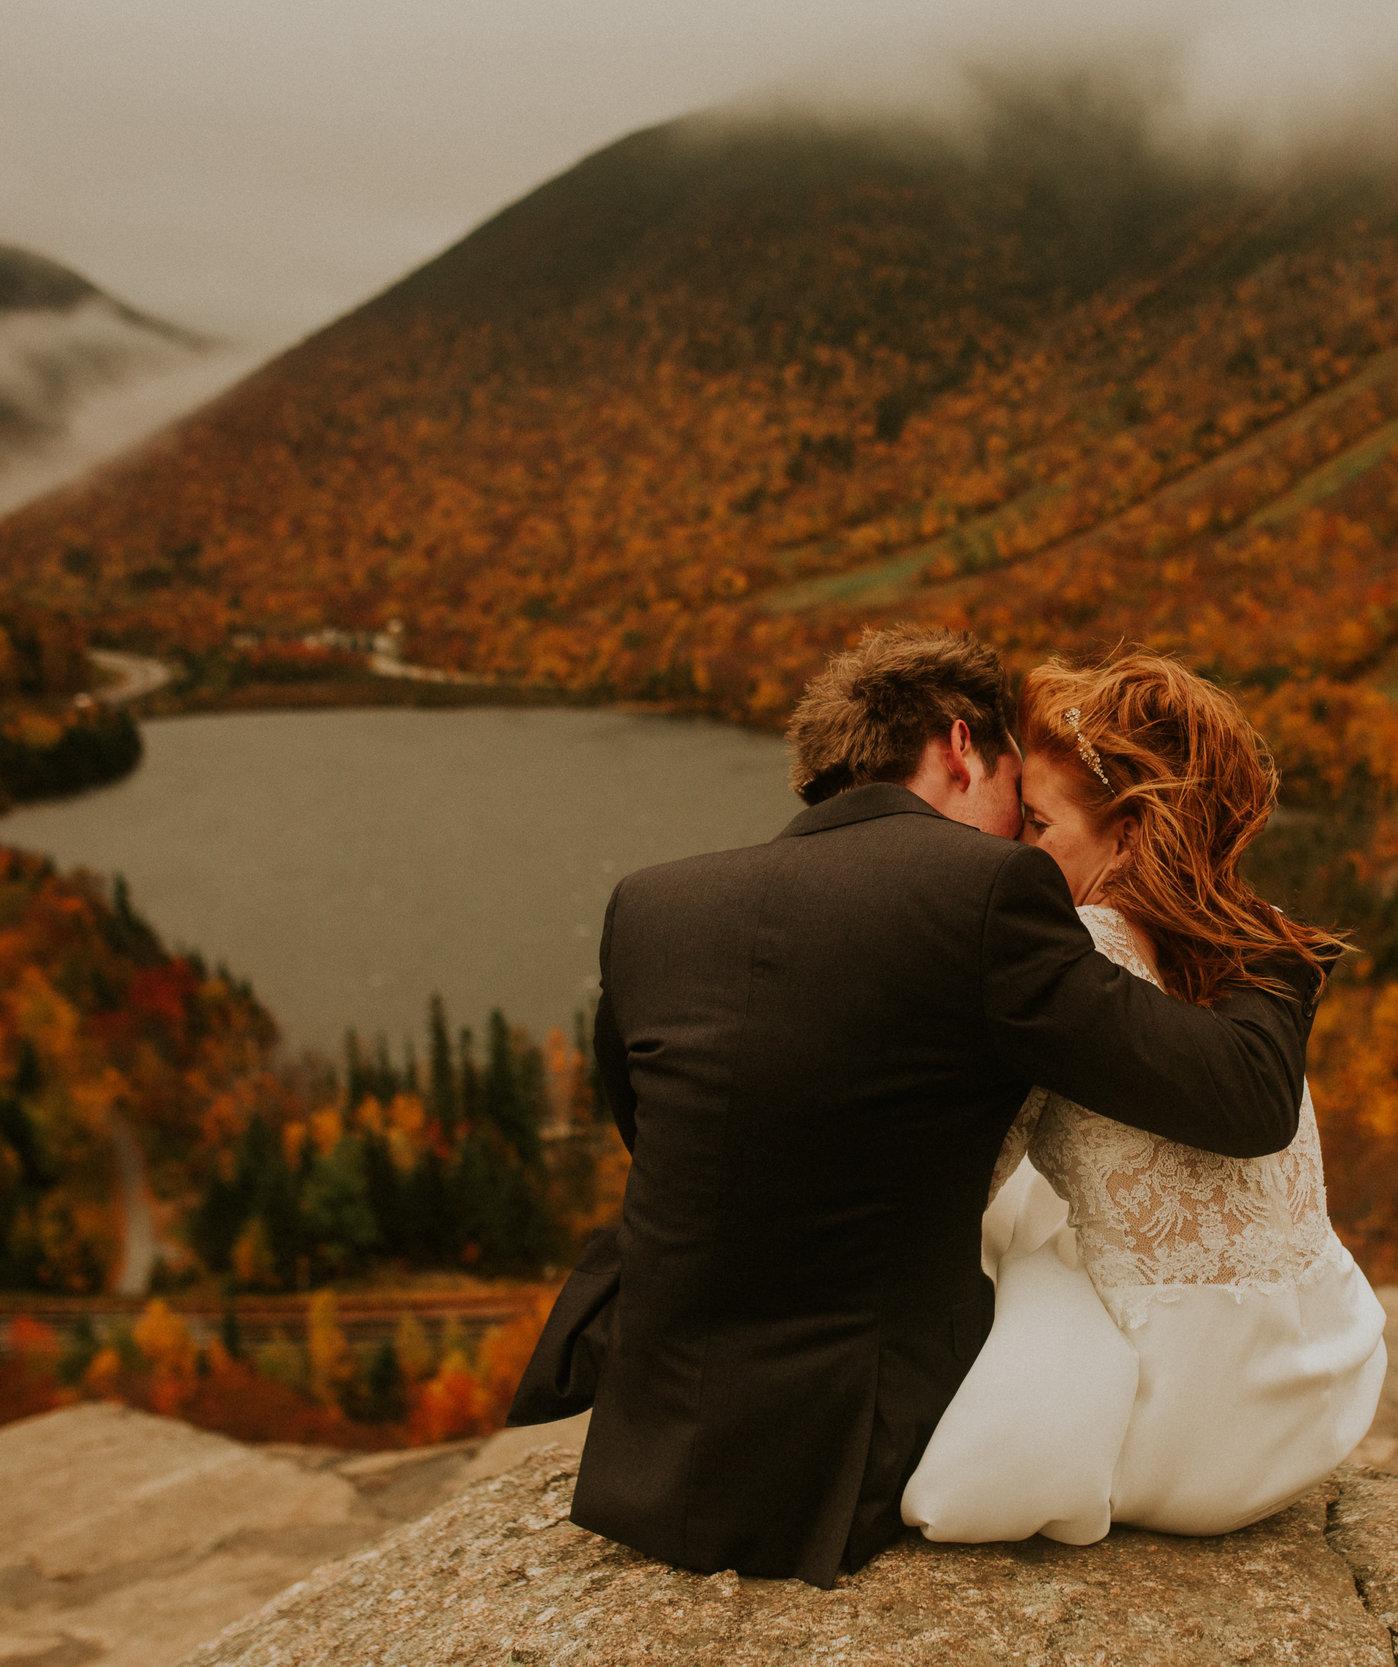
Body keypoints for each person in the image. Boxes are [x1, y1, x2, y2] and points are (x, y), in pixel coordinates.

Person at [505, 627, 1325, 1590]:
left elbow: (656, 1133)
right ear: (960, 746)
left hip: (653, 1447)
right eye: (1019, 797)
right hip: (848, 1459)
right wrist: (1265, 942)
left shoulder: (652, 905)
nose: (1020, 828)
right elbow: (1239, 1096)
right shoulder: (987, 892)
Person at [900, 649, 1385, 1544]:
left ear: (1128, 835)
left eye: (1037, 824)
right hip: (1316, 1385)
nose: (1013, 848)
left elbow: (951, 1177)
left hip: (1177, 1426)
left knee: (998, 1231)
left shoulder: (1064, 949)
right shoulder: (1247, 936)